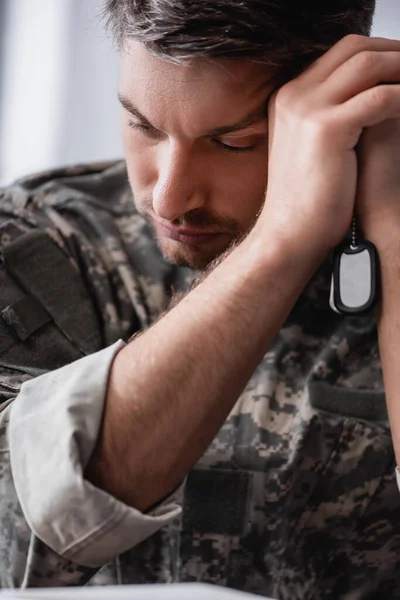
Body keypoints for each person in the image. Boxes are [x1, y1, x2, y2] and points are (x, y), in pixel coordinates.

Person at [1, 0, 400, 596]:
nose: (168, 198)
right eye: (143, 125)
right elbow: (19, 532)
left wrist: (391, 227)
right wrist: (281, 239)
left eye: (235, 142)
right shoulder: (41, 239)